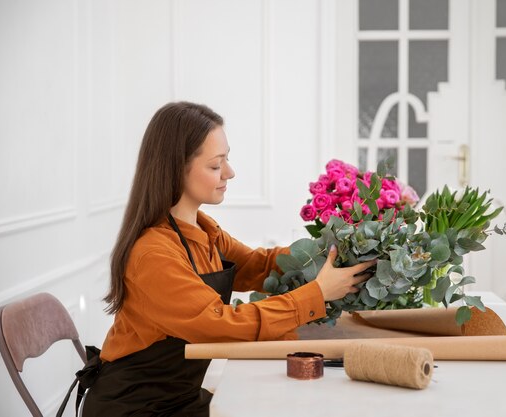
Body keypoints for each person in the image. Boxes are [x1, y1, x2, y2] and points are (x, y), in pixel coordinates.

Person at [82, 101, 375, 416]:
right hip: (137, 408)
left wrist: (330, 249)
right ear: (175, 168)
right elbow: (220, 324)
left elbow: (255, 266)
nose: (230, 173)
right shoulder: (153, 254)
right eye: (215, 165)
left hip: (179, 397)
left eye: (227, 159)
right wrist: (317, 294)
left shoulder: (204, 229)